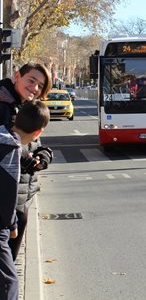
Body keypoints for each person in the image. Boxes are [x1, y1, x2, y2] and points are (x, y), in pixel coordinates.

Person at [0, 63, 53, 262]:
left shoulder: (27, 107)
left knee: (10, 261)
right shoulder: (2, 105)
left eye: (40, 85)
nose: (35, 88)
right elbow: (6, 144)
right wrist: (28, 159)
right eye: (31, 80)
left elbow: (35, 143)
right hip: (6, 200)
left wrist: (44, 156)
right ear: (16, 76)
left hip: (22, 196)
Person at [0, 100, 50, 300]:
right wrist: (11, 225)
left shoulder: (2, 134)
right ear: (38, 132)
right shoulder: (10, 149)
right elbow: (6, 194)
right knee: (8, 283)